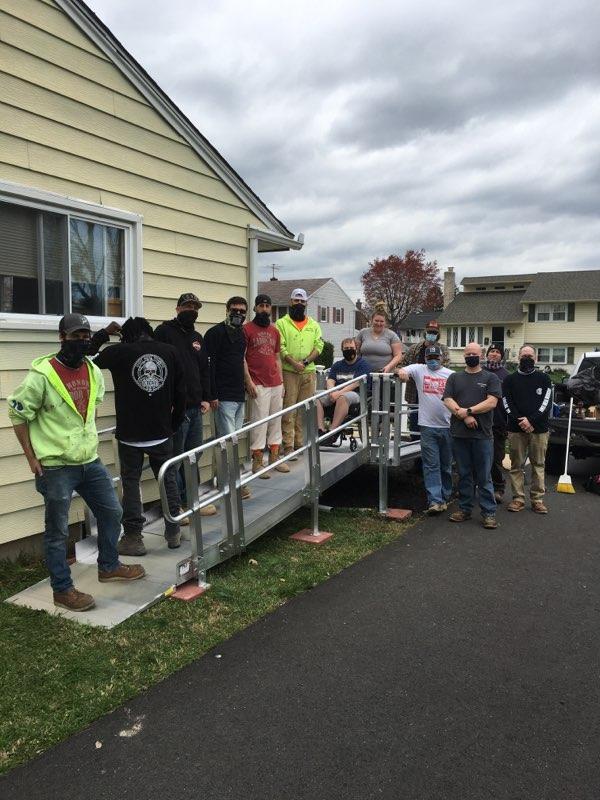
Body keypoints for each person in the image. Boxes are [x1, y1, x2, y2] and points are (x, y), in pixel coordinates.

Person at [7, 314, 145, 612]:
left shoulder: (93, 370)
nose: (81, 341)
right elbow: (18, 414)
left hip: (88, 461)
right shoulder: (42, 376)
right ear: (61, 337)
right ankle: (63, 589)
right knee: (57, 531)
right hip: (55, 466)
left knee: (112, 513)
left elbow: (89, 413)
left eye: (85, 335)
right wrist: (32, 458)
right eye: (75, 336)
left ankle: (108, 566)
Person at [89, 317, 186, 554]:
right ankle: (173, 531)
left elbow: (87, 359)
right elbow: (182, 392)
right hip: (162, 432)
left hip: (129, 434)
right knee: (167, 479)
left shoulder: (118, 351)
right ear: (148, 332)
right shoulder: (170, 352)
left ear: (126, 335)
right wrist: (173, 424)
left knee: (131, 484)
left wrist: (103, 334)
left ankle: (133, 538)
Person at [154, 293, 216, 518]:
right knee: (176, 459)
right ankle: (175, 505)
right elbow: (159, 368)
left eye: (195, 307)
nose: (192, 310)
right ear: (178, 308)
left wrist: (206, 398)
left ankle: (192, 502)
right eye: (187, 306)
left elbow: (204, 371)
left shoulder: (197, 337)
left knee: (193, 456)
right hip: (176, 409)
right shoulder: (164, 332)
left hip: (196, 408)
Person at [442, 342, 502, 529]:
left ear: (481, 355)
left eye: (473, 353)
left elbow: (491, 402)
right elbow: (448, 399)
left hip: (482, 435)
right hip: (459, 435)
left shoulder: (490, 378)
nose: (470, 356)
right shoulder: (454, 377)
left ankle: (489, 513)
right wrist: (463, 414)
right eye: (467, 353)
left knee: (484, 476)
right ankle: (465, 509)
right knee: (464, 474)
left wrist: (468, 412)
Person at [396, 345, 454, 514]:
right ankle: (435, 501)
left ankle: (445, 496)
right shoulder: (419, 369)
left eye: (436, 357)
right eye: (430, 358)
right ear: (425, 359)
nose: (433, 360)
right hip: (427, 426)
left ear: (442, 358)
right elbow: (402, 369)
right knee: (430, 465)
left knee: (446, 465)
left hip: (448, 426)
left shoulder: (451, 375)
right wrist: (401, 373)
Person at [204, 296, 251, 499]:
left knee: (230, 441)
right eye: (234, 310)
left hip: (239, 395)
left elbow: (241, 361)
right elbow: (208, 366)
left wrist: (248, 385)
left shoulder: (242, 335)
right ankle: (235, 485)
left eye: (242, 311)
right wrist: (212, 394)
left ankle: (221, 480)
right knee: (229, 442)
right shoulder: (215, 333)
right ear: (227, 310)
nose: (238, 314)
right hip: (222, 397)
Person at [502, 344, 553, 514]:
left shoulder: (544, 379)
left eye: (530, 356)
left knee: (538, 464)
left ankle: (537, 500)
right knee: (516, 465)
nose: (527, 359)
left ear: (535, 358)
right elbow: (507, 403)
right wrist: (521, 421)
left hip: (539, 429)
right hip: (516, 429)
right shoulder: (509, 380)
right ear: (518, 358)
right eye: (524, 356)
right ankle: (518, 499)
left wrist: (530, 420)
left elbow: (546, 403)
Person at [243, 293, 290, 477]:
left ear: (271, 309)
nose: (264, 309)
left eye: (267, 306)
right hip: (258, 383)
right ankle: (257, 463)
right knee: (259, 422)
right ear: (255, 308)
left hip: (275, 382)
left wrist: (282, 381)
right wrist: (248, 381)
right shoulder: (246, 330)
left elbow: (277, 357)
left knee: (275, 421)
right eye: (261, 306)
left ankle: (274, 458)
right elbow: (242, 358)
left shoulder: (274, 331)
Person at [276, 288, 324, 460]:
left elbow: (319, 346)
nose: (299, 304)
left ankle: (299, 444)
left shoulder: (313, 324)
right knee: (289, 410)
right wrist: (293, 363)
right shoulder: (281, 323)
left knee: (303, 411)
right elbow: (280, 347)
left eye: (302, 301)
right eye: (296, 301)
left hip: (308, 372)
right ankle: (287, 447)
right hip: (289, 372)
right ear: (291, 302)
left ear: (306, 304)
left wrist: (304, 362)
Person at [316, 338, 371, 443]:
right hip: (336, 391)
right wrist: (331, 392)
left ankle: (332, 432)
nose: (349, 350)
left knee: (343, 398)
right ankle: (320, 430)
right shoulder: (337, 365)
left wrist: (338, 393)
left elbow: (355, 383)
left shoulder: (363, 364)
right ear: (342, 349)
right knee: (316, 396)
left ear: (356, 349)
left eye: (351, 348)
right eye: (346, 348)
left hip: (356, 393)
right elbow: (331, 380)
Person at [402, 319, 450, 438]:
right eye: (430, 332)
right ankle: (415, 447)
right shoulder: (414, 349)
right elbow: (402, 364)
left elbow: (446, 368)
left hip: (434, 390)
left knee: (433, 422)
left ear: (438, 334)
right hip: (415, 391)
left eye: (434, 332)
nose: (432, 335)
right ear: (425, 332)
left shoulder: (443, 350)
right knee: (414, 421)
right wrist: (402, 372)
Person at [485, 344, 510, 502]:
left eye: (497, 352)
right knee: (476, 458)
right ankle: (473, 487)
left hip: (499, 423)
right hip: (479, 422)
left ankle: (498, 488)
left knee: (496, 458)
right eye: (491, 351)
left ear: (501, 356)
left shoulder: (506, 375)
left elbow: (510, 401)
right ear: (487, 355)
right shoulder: (479, 372)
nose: (494, 354)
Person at [355, 306, 403, 374]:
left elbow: (398, 355)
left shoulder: (392, 335)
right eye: (376, 321)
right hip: (364, 374)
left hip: (385, 375)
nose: (379, 323)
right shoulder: (362, 333)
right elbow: (356, 352)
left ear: (385, 322)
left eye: (381, 321)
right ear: (371, 320)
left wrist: (389, 367)